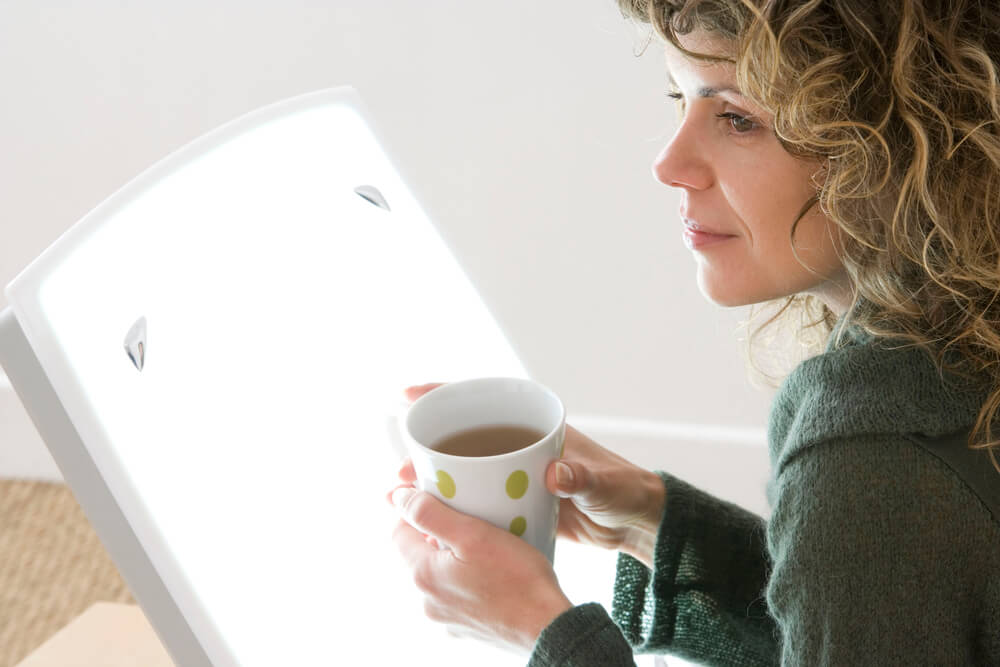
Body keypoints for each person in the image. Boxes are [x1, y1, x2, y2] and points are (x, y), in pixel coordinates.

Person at [387, 0, 1000, 663]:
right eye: (680, 98)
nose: (669, 161)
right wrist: (658, 522)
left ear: (907, 140)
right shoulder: (955, 345)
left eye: (738, 117)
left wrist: (548, 634)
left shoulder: (877, 471)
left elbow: (880, 554)